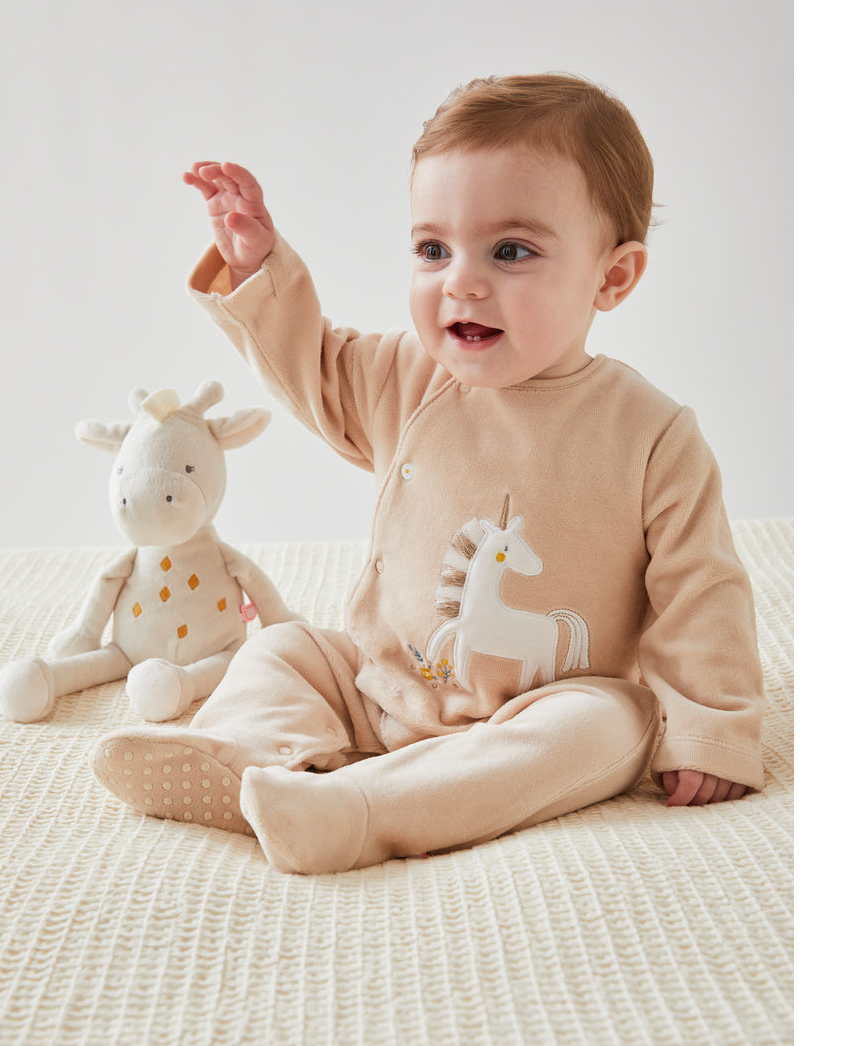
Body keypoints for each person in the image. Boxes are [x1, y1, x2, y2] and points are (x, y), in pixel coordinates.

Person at [91, 73, 765, 875]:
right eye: (433, 250)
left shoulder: (652, 434)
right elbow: (313, 365)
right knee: (285, 650)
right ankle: (238, 757)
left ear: (611, 277)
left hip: (537, 713)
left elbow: (701, 589)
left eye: (510, 251)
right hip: (381, 688)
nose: (461, 281)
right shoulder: (406, 378)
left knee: (615, 720)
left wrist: (712, 730)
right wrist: (258, 269)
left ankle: (362, 808)